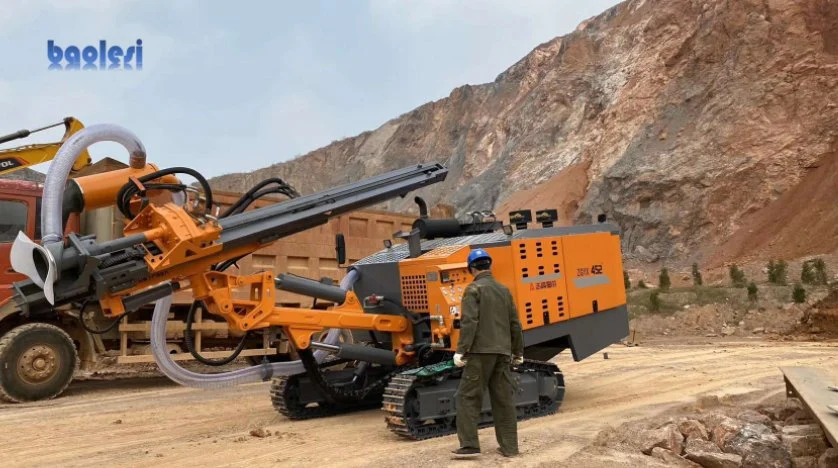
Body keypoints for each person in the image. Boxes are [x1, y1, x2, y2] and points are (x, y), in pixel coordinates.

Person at [451, 248, 524, 459]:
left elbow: (470, 323)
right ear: (489, 266)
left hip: (480, 354)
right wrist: (518, 351)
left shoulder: (473, 289)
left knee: (467, 397)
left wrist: (461, 351)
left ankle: (470, 444)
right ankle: (510, 447)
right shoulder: (504, 290)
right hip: (502, 353)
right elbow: (515, 324)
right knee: (503, 400)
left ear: (472, 268)